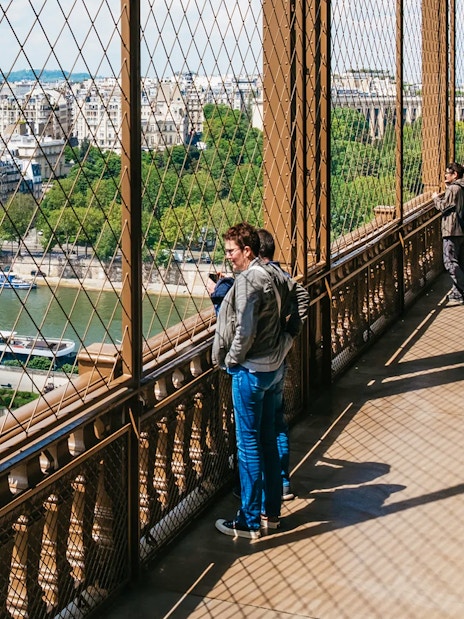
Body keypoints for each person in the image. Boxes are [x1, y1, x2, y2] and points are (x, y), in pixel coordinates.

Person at [212, 222, 309, 539]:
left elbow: (245, 331)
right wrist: (287, 343)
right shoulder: (276, 275)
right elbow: (298, 303)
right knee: (268, 442)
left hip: (251, 372)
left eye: (231, 251)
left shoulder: (247, 283)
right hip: (274, 368)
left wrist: (231, 359)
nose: (228, 257)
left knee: (248, 446)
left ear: (247, 251)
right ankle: (272, 513)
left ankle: (249, 520)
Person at [257, 228, 307, 501]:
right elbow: (303, 298)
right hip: (280, 358)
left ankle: (261, 492)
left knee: (258, 430)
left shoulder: (259, 278)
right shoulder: (283, 276)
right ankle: (282, 481)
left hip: (262, 362)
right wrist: (290, 336)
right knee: (277, 423)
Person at [432, 162, 464, 305]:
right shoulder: (460, 187)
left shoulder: (454, 189)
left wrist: (435, 197)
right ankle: (458, 291)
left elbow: (443, 207)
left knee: (450, 261)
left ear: (455, 174)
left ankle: (461, 290)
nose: (445, 175)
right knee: (460, 262)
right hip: (461, 229)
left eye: (447, 173)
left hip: (451, 229)